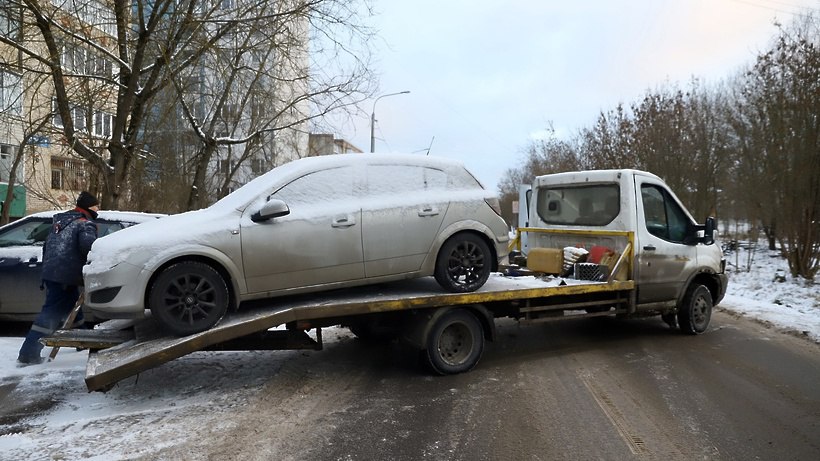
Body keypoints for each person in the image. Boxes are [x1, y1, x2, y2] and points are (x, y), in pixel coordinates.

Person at [17, 191, 100, 366]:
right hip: (65, 275)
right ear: (89, 207)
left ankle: (82, 342)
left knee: (73, 308)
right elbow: (89, 248)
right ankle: (28, 353)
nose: (98, 208)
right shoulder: (85, 224)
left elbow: (47, 247)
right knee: (51, 314)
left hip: (52, 273)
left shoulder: (60, 223)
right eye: (96, 205)